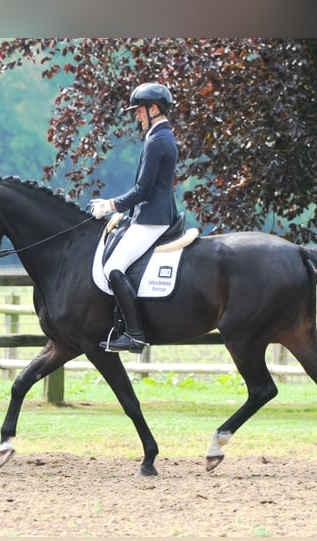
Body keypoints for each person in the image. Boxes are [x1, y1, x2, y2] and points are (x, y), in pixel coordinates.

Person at [90, 82, 179, 352]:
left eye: (139, 110)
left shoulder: (157, 140)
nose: (136, 116)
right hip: (152, 214)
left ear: (153, 109)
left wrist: (111, 205)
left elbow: (143, 190)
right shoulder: (161, 136)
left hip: (153, 218)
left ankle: (135, 335)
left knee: (113, 268)